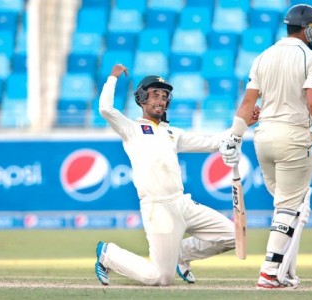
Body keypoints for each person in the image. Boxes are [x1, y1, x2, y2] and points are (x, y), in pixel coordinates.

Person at [219, 4, 312, 289]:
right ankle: (269, 271)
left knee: (291, 207)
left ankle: (285, 272)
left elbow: (247, 104)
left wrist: (234, 136)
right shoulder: (311, 59)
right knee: (290, 207)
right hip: (293, 138)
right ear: (309, 29)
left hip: (263, 139)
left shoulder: (262, 57)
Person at [94, 64, 259, 287]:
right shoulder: (131, 129)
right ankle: (108, 254)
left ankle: (181, 254)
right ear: (142, 98)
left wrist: (242, 126)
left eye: (164, 96)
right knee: (161, 278)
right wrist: (112, 78)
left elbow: (212, 143)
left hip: (183, 204)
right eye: (155, 95)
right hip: (158, 208)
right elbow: (105, 109)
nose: (160, 101)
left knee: (234, 236)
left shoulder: (172, 133)